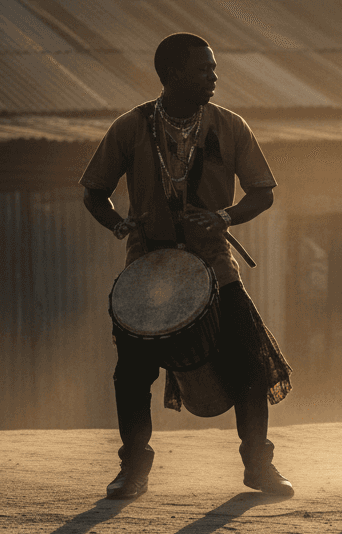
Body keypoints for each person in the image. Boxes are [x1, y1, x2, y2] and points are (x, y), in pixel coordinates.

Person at [81, 32, 294, 500]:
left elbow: (263, 192)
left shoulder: (229, 126)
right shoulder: (131, 126)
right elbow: (94, 191)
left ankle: (258, 466)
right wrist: (118, 225)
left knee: (252, 367)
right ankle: (133, 469)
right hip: (148, 270)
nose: (214, 77)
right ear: (171, 74)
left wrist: (225, 216)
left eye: (213, 69)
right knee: (132, 374)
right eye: (204, 70)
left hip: (215, 269)